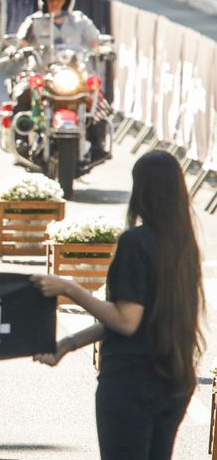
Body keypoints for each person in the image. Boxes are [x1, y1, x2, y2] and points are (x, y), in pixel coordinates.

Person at [31, 150, 206, 460]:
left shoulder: (135, 243)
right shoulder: (184, 244)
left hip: (131, 382)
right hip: (174, 379)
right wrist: (69, 344)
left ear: (142, 191)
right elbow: (137, 317)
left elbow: (126, 321)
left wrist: (69, 287)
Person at [12, 0, 109, 161]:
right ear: (43, 0)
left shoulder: (80, 21)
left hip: (73, 76)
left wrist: (104, 49)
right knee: (22, 93)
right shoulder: (34, 21)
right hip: (42, 75)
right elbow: (21, 41)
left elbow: (95, 42)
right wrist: (19, 50)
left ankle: (97, 145)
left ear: (67, 1)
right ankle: (21, 140)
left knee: (97, 99)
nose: (54, 3)